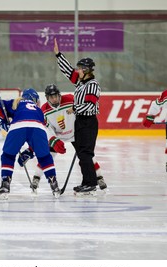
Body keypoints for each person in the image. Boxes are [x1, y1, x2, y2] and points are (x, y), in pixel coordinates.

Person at [18, 84, 107, 193]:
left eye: (56, 96)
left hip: (76, 134)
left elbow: (83, 110)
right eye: (51, 97)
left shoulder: (70, 99)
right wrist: (53, 140)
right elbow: (47, 128)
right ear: (47, 98)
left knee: (87, 155)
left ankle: (99, 177)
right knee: (48, 155)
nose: (54, 99)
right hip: (58, 136)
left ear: (59, 95)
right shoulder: (44, 110)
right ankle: (36, 178)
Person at [53, 38, 101, 195]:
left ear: (87, 70)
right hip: (80, 122)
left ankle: (92, 183)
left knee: (86, 153)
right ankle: (86, 182)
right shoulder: (80, 83)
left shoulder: (93, 85)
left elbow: (91, 106)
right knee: (81, 154)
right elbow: (68, 72)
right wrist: (59, 55)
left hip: (88, 122)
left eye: (80, 68)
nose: (77, 70)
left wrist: (75, 108)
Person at [0, 88, 60, 198]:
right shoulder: (39, 110)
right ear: (34, 99)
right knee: (44, 157)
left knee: (8, 156)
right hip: (38, 128)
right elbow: (37, 133)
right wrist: (30, 151)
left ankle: (5, 184)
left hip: (18, 127)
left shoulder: (17, 102)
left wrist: (5, 119)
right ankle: (54, 185)